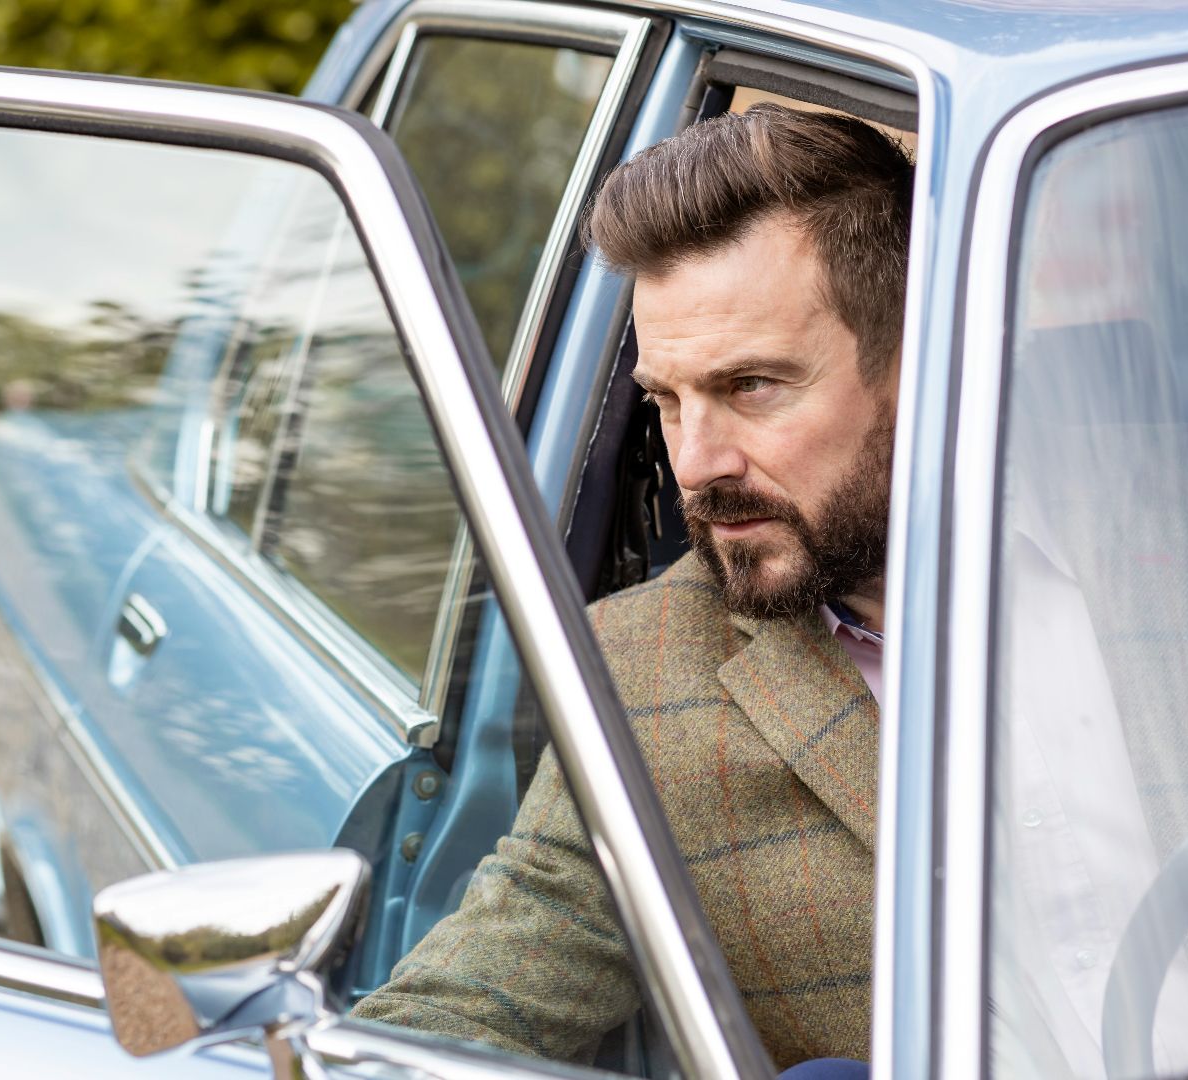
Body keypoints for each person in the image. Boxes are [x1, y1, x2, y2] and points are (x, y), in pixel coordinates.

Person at [351, 103, 911, 1069]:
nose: (695, 464)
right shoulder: (647, 673)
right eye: (665, 400)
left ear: (923, 361)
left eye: (753, 388)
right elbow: (468, 1008)